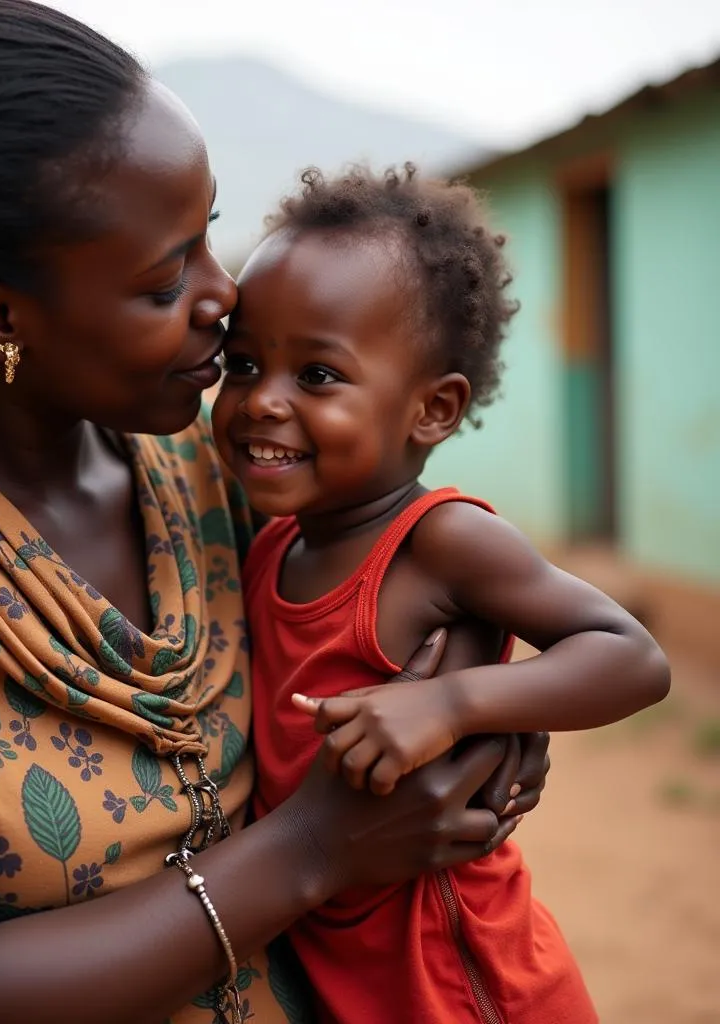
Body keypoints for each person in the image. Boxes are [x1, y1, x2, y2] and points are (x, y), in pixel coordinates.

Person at [0, 4, 552, 1022]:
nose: (223, 295)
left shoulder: (204, 469)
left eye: (207, 236)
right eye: (164, 279)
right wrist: (317, 846)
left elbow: (407, 591)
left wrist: (473, 708)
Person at [211, 164, 671, 1024]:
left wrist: (455, 704)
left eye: (317, 376)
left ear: (432, 409)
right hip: (338, 968)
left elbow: (631, 657)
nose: (261, 402)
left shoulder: (438, 542)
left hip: (465, 984)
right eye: (241, 365)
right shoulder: (270, 543)